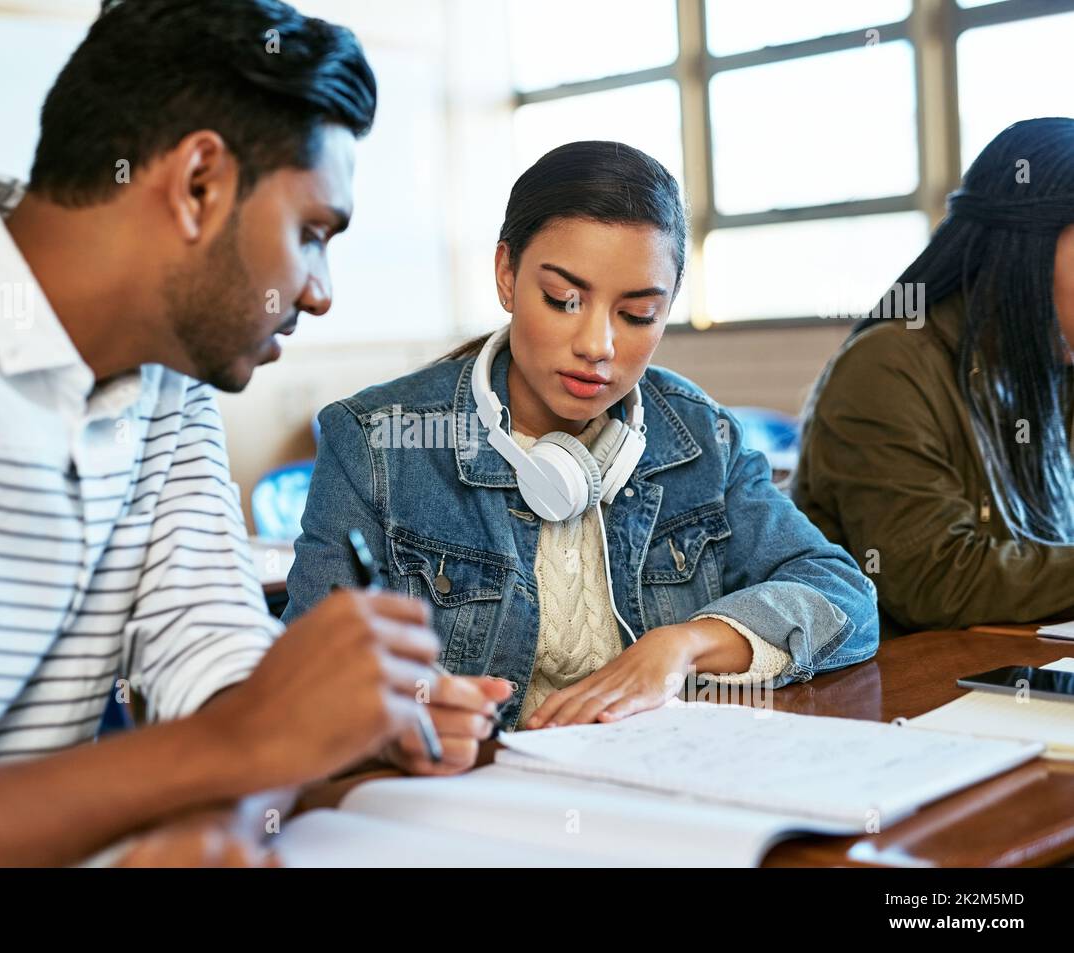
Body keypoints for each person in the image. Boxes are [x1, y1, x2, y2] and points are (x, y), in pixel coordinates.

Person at [0, 0, 485, 866]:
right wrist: (239, 747)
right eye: (311, 233)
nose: (320, 290)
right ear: (198, 185)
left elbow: (223, 680)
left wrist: (229, 808)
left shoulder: (169, 384)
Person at [283, 141, 879, 775]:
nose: (598, 346)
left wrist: (680, 647)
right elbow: (301, 677)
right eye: (564, 300)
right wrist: (403, 715)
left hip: (657, 791)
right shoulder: (376, 439)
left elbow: (844, 597)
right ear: (507, 274)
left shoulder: (702, 437)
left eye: (638, 314)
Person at [793, 117, 1074, 635]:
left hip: (1003, 663)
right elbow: (937, 579)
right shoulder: (889, 366)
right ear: (1027, 248)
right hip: (896, 690)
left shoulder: (1052, 369)